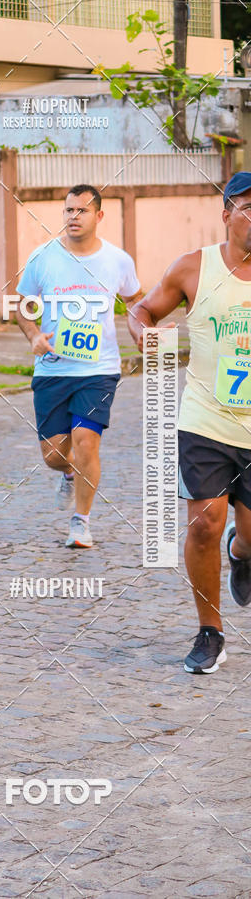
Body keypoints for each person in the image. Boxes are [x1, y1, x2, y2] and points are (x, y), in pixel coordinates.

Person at [128, 171, 251, 674]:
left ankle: (241, 550)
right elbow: (143, 309)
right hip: (206, 420)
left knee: (247, 535)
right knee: (203, 525)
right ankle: (210, 632)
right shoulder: (194, 267)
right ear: (226, 215)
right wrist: (143, 333)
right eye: (248, 207)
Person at [15, 184, 142, 548]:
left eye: (82, 210)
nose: (73, 216)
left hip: (98, 370)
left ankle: (81, 522)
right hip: (53, 369)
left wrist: (142, 330)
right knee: (54, 454)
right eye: (69, 210)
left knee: (87, 441)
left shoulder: (117, 260)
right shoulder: (43, 257)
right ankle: (69, 473)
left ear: (99, 216)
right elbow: (22, 304)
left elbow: (136, 301)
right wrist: (33, 335)